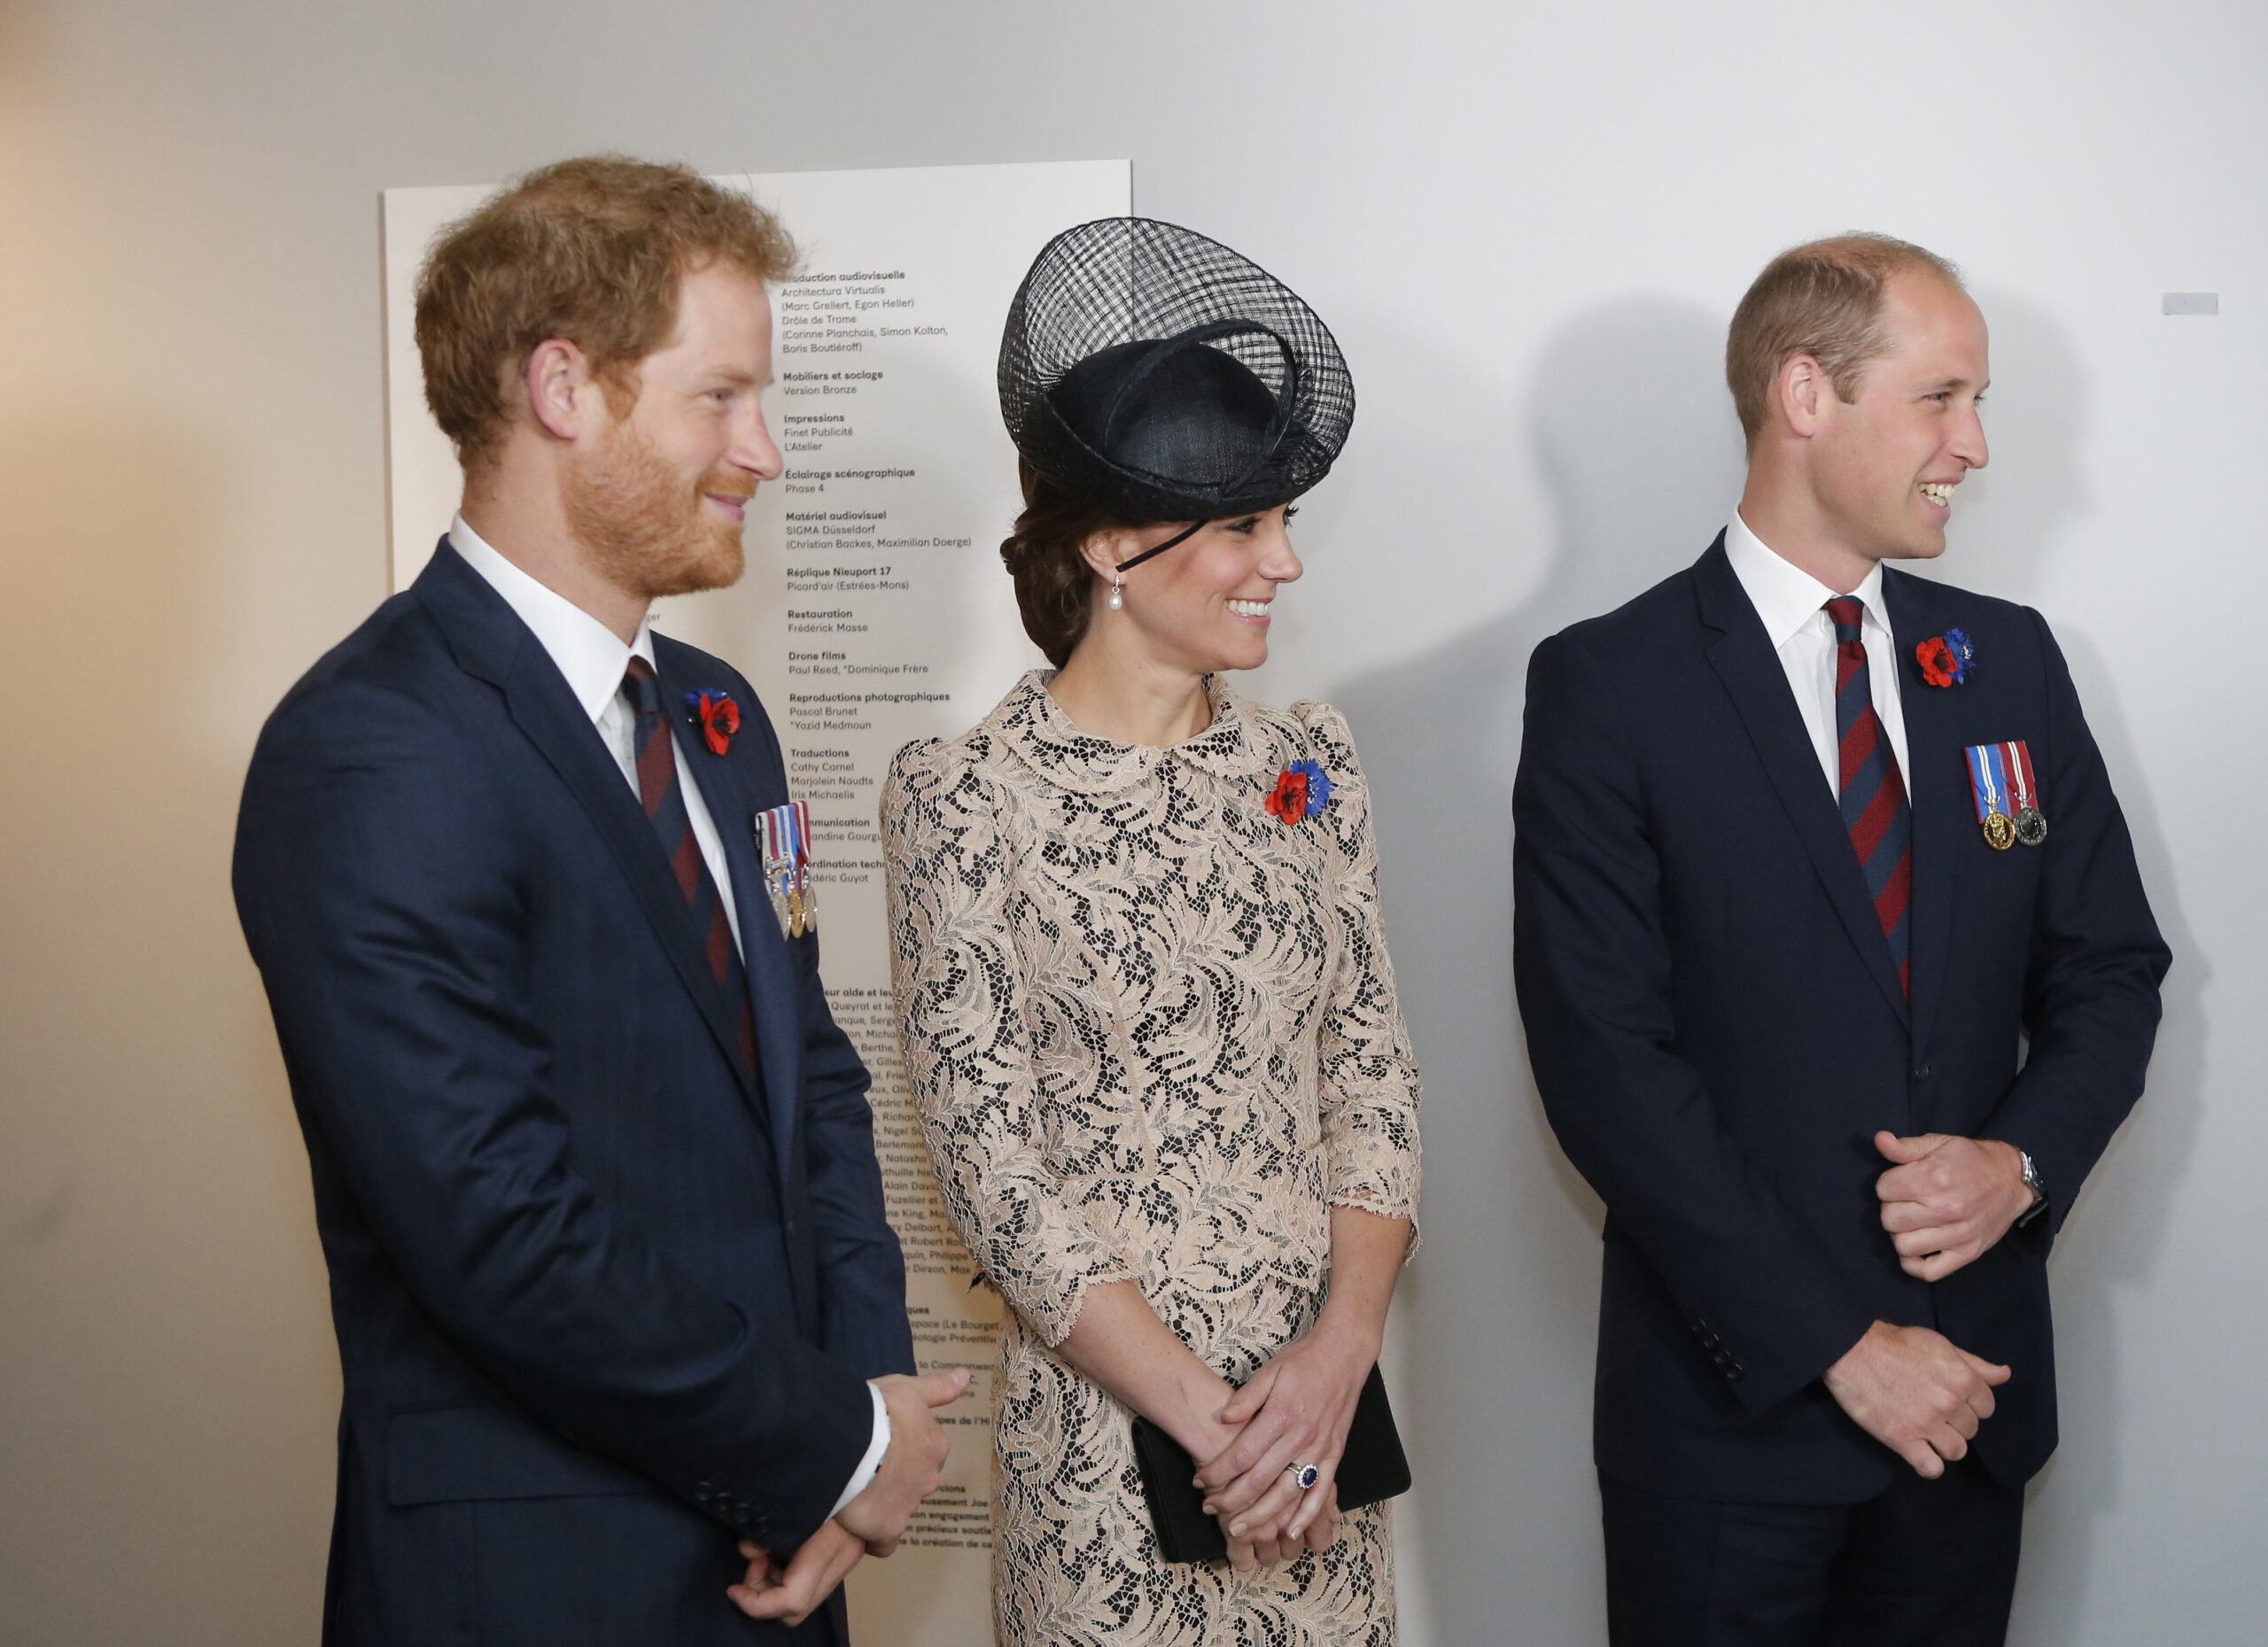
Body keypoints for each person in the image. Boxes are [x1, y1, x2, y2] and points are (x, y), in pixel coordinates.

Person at [232, 156, 967, 1647]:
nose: (763, 449)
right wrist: (834, 1444)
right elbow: (500, 1234)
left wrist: (867, 1397)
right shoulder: (374, 744)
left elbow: (812, 1081)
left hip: (781, 1555)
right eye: (720, 396)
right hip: (538, 1582)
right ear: (563, 387)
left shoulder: (720, 717)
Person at [1513, 233, 2171, 1645]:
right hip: (1727, 1437)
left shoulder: (2008, 663)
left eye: (1978, 401)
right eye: (1941, 399)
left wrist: (2021, 1162)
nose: (1976, 445)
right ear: (1805, 395)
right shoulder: (1608, 687)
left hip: (1967, 1421)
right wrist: (1837, 1348)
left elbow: (2112, 969)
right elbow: (1606, 1067)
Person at [880, 218, 1420, 1644]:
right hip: (1114, 1460)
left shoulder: (1311, 765)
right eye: (1247, 524)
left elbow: (1372, 1081)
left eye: (1284, 520)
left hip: (1321, 1440)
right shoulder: (964, 798)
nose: (1285, 564)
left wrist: (1335, 1362)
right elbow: (991, 1175)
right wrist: (1215, 1426)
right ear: (1115, 540)